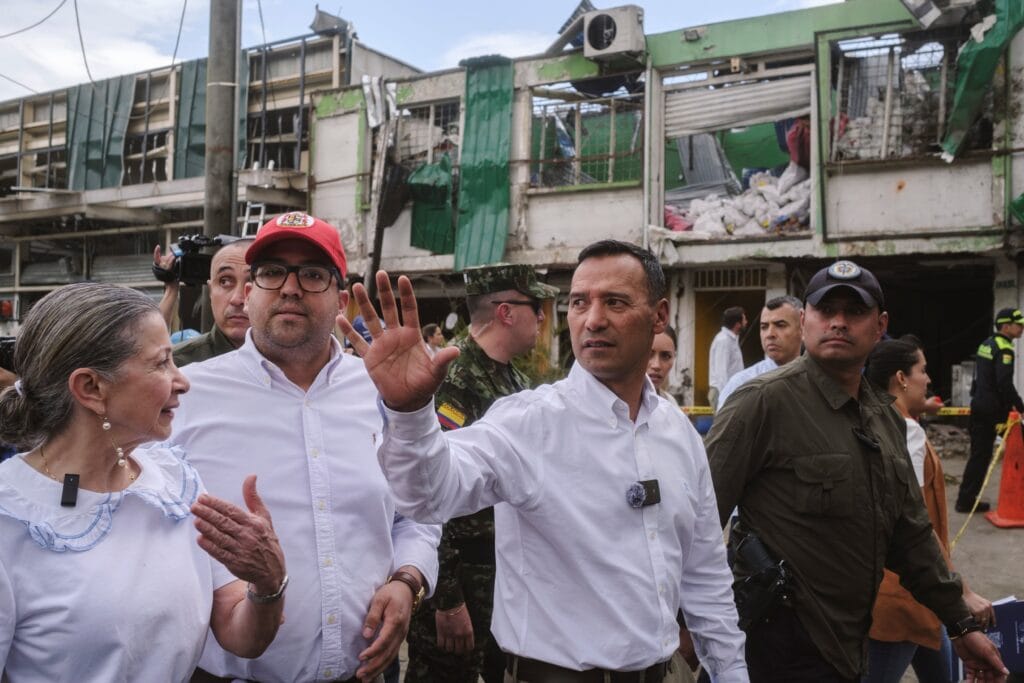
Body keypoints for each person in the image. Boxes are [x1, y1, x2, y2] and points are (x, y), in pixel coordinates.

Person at [342, 239, 749, 682]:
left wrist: (731, 673)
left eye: (614, 302)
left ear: (659, 316)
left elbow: (706, 577)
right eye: (579, 303)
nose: (593, 319)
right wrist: (410, 411)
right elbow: (429, 496)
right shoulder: (529, 422)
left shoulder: (679, 434)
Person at [164, 211, 440, 683]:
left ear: (339, 296)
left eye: (313, 274)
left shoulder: (384, 388)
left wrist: (407, 579)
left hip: (369, 671)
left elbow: (420, 507)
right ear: (248, 294)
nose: (290, 288)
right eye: (272, 272)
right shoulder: (183, 396)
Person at [705, 260, 1007, 682]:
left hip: (850, 648)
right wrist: (689, 631)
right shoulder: (761, 402)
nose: (839, 322)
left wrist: (959, 622)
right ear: (807, 319)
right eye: (826, 311)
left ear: (880, 324)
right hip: (774, 646)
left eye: (855, 311)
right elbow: (696, 524)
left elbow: (910, 532)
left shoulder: (883, 419)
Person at [0, 282, 286, 681]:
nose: (182, 381)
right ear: (91, 388)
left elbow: (242, 636)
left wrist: (268, 584)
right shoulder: (10, 517)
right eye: (161, 363)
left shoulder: (174, 481)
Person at [405, 264, 557, 683]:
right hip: (460, 585)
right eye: (536, 306)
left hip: (503, 583)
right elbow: (426, 496)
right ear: (506, 312)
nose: (542, 317)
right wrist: (447, 600)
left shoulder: (517, 381)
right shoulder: (449, 376)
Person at [863, 338, 995, 683]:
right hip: (902, 597)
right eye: (922, 370)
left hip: (913, 593)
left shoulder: (876, 420)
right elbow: (914, 524)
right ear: (901, 378)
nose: (929, 379)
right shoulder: (905, 433)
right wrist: (962, 591)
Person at [959, 307, 1024, 513]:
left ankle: (965, 500)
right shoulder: (1004, 349)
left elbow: (978, 380)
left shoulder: (986, 344)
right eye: (1018, 324)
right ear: (1006, 326)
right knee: (1015, 448)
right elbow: (1004, 383)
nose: (1022, 328)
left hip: (979, 406)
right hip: (993, 411)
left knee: (979, 456)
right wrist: (1019, 405)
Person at [171, 238, 254, 367]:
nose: (237, 299)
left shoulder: (293, 365)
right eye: (225, 281)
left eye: (252, 282)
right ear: (210, 291)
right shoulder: (175, 366)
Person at [717, 296, 803, 408]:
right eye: (764, 327)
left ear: (802, 328)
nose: (770, 334)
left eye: (780, 325)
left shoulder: (819, 380)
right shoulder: (740, 385)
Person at [708, 306, 746, 410]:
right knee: (724, 425)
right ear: (738, 324)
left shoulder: (732, 340)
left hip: (731, 392)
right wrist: (726, 396)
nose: (746, 322)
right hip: (722, 392)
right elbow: (721, 372)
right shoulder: (723, 340)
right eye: (744, 319)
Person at [647, 324, 679, 406]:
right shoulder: (614, 404)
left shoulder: (671, 404)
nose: (656, 365)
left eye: (666, 356)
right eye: (648, 354)